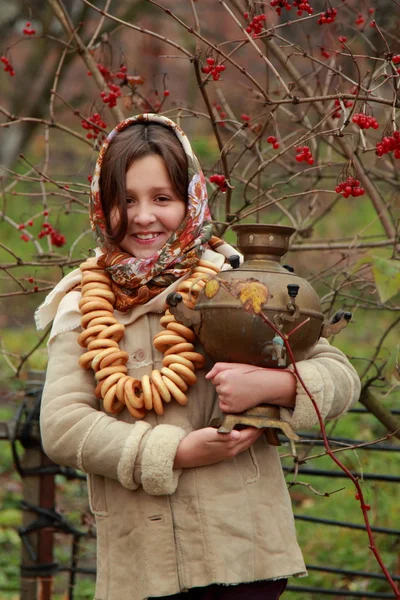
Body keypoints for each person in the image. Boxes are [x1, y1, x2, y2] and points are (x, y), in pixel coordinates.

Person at [37, 113, 361, 600]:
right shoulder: (80, 304)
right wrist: (170, 452)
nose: (144, 216)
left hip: (243, 556)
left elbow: (338, 374)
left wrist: (277, 386)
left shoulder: (239, 283)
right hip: (140, 564)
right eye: (125, 200)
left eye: (162, 198)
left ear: (190, 201)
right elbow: (62, 426)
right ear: (102, 207)